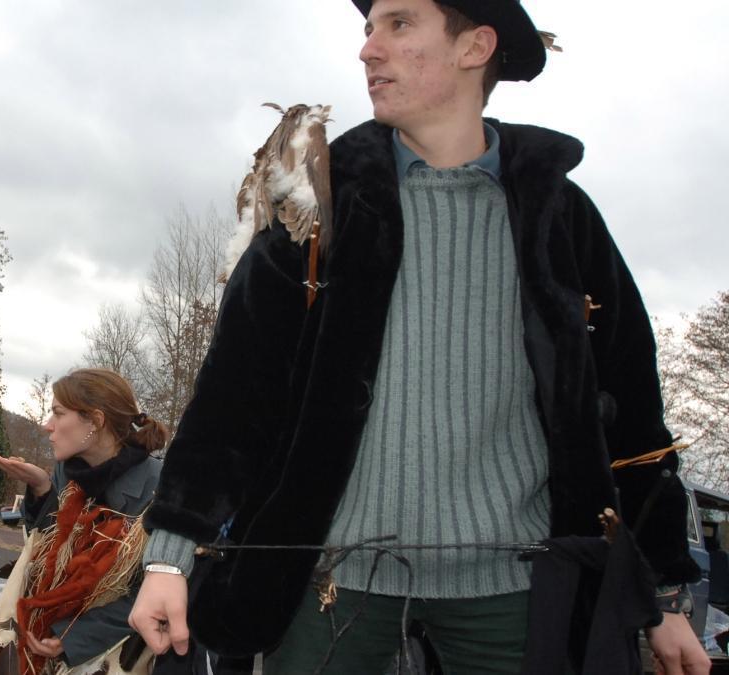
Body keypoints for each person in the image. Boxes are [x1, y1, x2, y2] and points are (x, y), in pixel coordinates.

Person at [128, 1, 709, 674]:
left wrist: (665, 595)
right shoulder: (316, 213)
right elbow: (232, 398)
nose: (368, 50)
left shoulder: (562, 220)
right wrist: (170, 553)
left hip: (516, 594)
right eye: (369, 28)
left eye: (399, 25)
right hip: (329, 588)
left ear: (475, 46)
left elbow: (633, 417)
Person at [0, 369, 169, 674]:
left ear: (95, 421)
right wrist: (41, 491)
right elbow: (45, 558)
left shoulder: (160, 488)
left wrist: (74, 638)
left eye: (57, 413)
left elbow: (155, 592)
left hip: (115, 657)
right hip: (45, 639)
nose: (47, 426)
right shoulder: (68, 471)